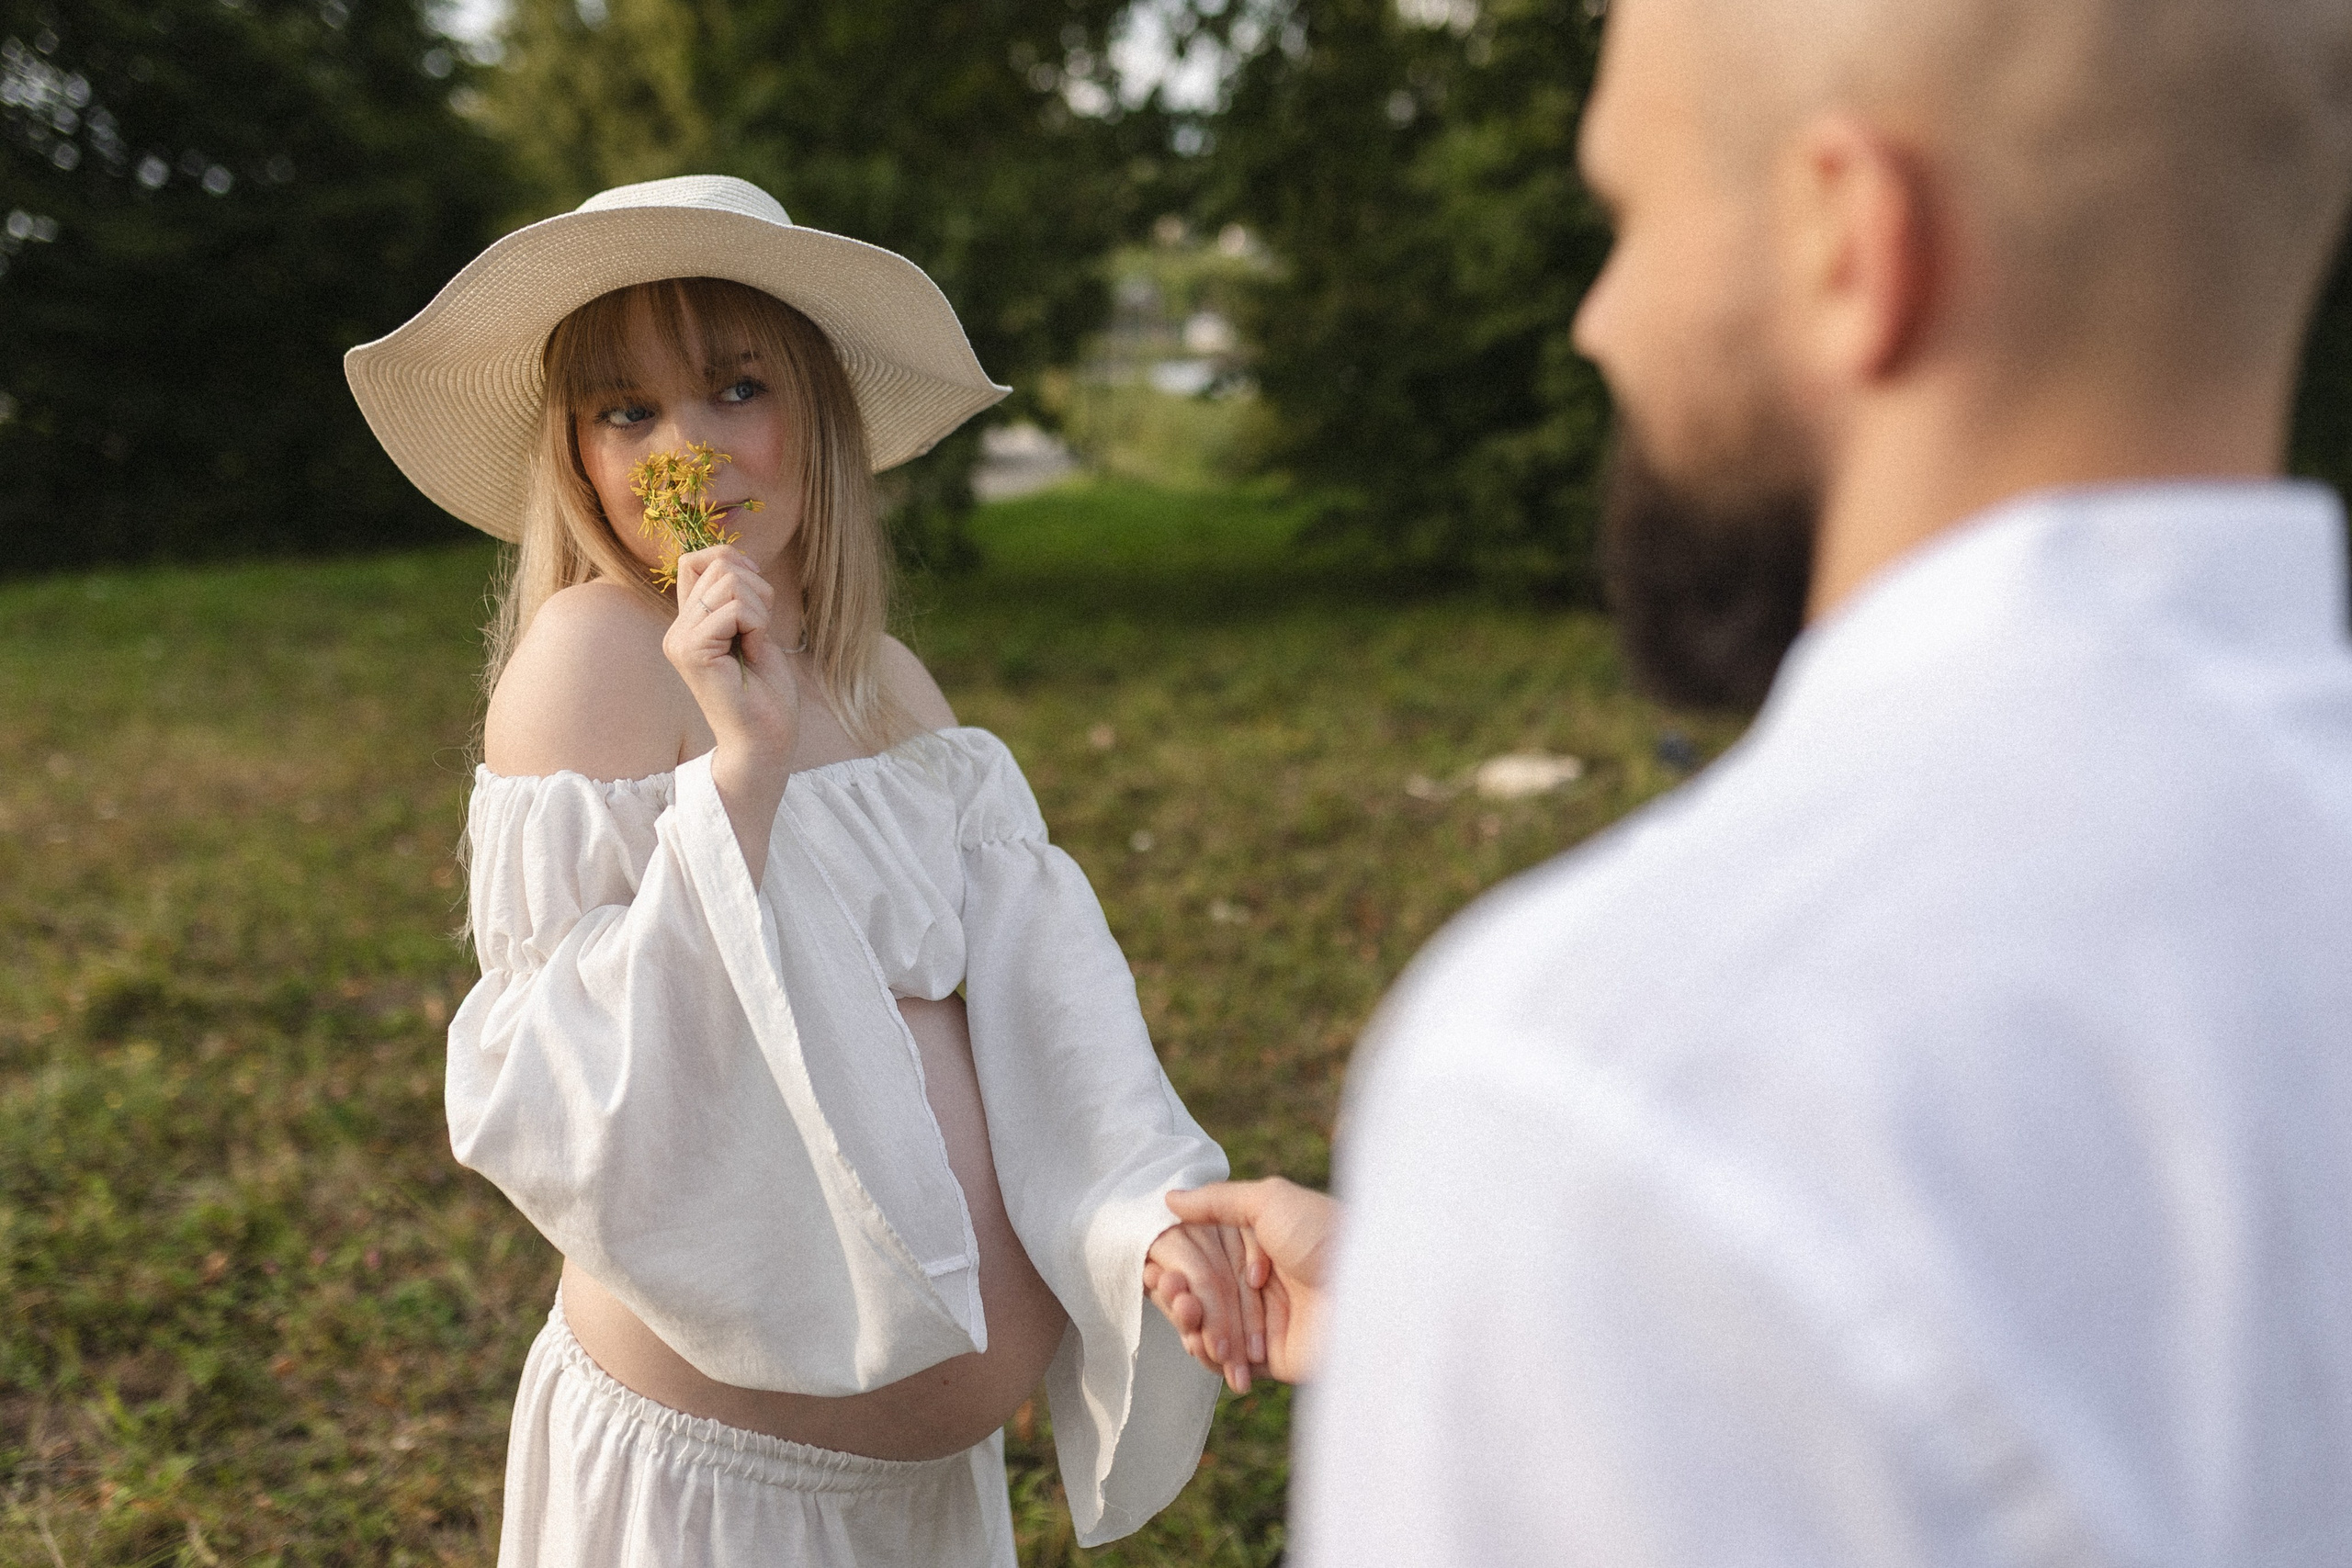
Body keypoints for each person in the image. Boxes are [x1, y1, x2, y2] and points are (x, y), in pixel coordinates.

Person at [1179, 0, 2352, 1562]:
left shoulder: (1611, 1077)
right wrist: (1507, 1313)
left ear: (1846, 240)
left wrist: (1563, 1254)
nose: (1598, 322)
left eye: (1633, 216)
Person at [343, 175, 1263, 1567]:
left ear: (819, 414)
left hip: (922, 1502)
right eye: (626, 411)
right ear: (578, 458)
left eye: (736, 388)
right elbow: (570, 1082)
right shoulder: (598, 657)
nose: (687, 447)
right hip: (717, 1490)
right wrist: (741, 776)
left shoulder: (886, 682)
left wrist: (1142, 1207)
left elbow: (1047, 1007)